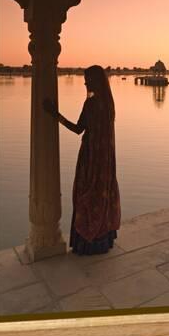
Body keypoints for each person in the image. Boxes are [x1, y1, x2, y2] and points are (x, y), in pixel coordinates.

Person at [43, 65, 121, 255]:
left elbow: (79, 129)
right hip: (106, 158)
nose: (85, 83)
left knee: (86, 193)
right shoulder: (109, 104)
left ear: (95, 81)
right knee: (101, 193)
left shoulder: (92, 103)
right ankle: (103, 238)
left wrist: (55, 115)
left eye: (88, 79)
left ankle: (87, 241)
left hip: (91, 157)